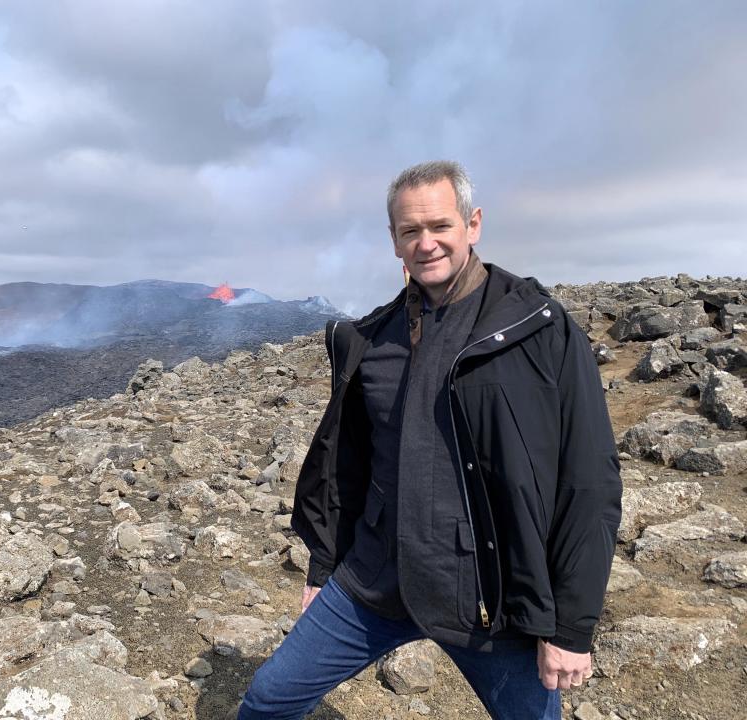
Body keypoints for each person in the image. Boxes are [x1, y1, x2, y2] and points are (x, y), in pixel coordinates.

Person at [237, 161, 622, 720]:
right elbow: (347, 467)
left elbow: (589, 481)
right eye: (410, 231)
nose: (426, 243)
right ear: (393, 241)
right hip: (374, 583)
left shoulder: (541, 330)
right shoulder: (369, 339)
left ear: (474, 224)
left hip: (490, 600)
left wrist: (571, 626)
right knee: (269, 699)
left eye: (440, 225)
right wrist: (325, 569)